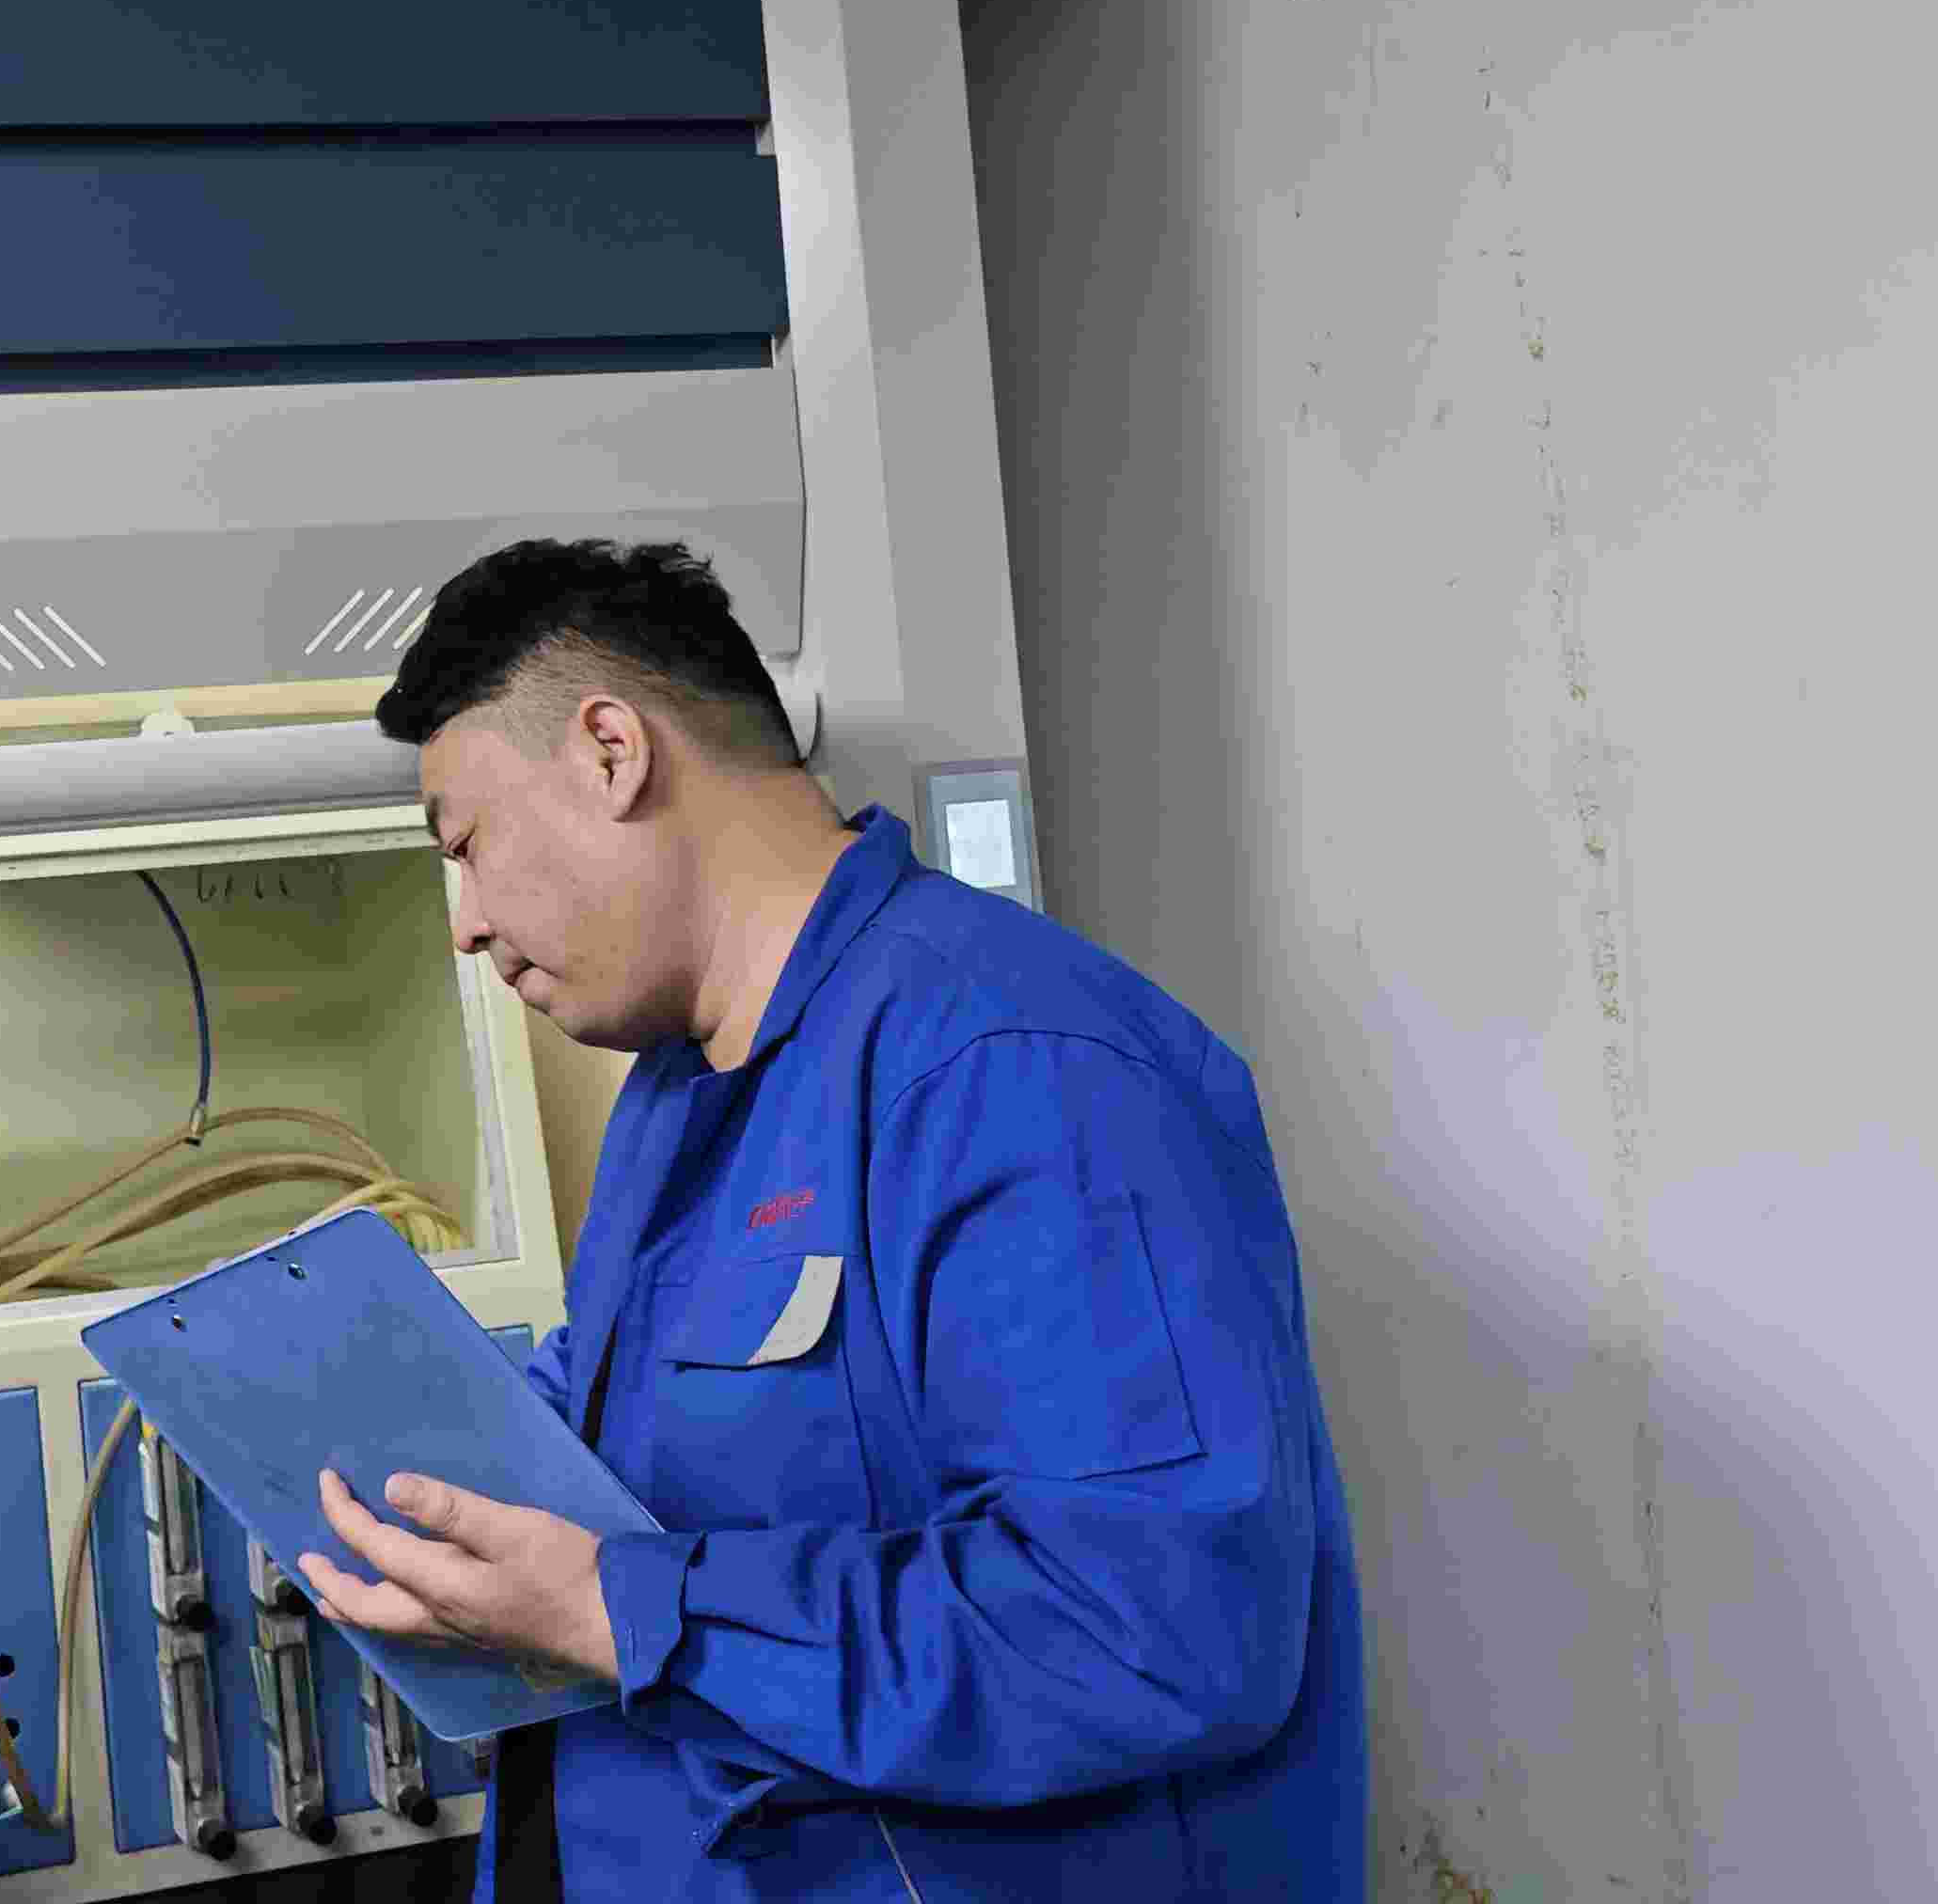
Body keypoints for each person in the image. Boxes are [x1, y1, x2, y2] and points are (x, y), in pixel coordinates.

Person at [293, 540, 1363, 1899]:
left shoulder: (1013, 1066)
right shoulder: (680, 1096)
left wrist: (631, 1614)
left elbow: (1154, 1629)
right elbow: (648, 1435)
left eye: (467, 845)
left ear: (612, 751)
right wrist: (396, 1460)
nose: (465, 923)